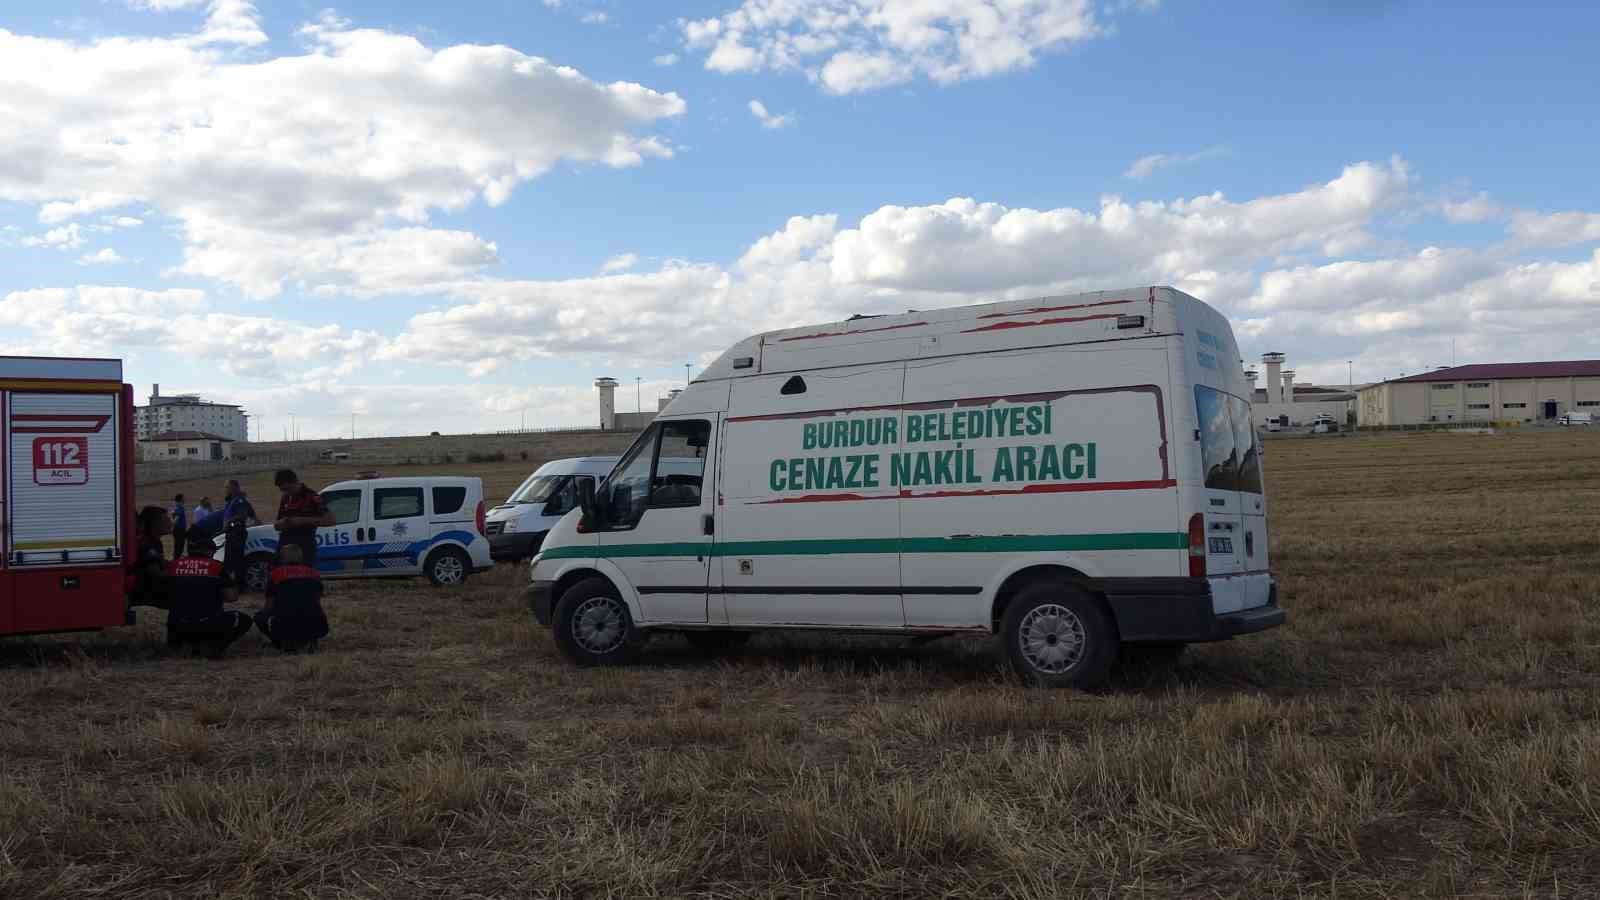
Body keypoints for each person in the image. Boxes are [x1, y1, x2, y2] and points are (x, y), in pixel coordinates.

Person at [165, 526, 253, 658]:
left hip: (177, 626)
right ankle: (213, 649)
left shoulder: (173, 565)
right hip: (207, 625)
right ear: (209, 550)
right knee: (243, 619)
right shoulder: (216, 567)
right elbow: (232, 597)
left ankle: (178, 647)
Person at [255, 543, 328, 653]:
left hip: (286, 623)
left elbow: (268, 607)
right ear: (301, 557)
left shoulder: (275, 574)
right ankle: (311, 641)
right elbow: (317, 602)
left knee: (259, 617)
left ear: (282, 558)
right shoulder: (314, 573)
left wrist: (262, 616)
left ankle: (280, 642)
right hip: (316, 623)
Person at [274, 470, 334, 566]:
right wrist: (280, 524)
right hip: (285, 544)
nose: (286, 492)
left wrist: (303, 520)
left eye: (288, 489)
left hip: (304, 544)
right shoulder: (285, 497)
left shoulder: (312, 497)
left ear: (295, 482)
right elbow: (277, 523)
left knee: (304, 574)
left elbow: (330, 520)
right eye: (283, 490)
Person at [129, 505, 172, 610]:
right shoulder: (146, 544)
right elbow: (156, 574)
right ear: (154, 523)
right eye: (165, 520)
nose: (170, 523)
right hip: (144, 594)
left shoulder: (155, 542)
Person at [170, 493, 188, 558]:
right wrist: (173, 523)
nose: (184, 499)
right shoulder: (180, 508)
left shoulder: (176, 507)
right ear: (180, 499)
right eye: (183, 498)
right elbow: (176, 519)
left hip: (178, 530)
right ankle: (176, 560)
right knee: (179, 547)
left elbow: (173, 515)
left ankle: (176, 559)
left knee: (177, 546)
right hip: (180, 530)